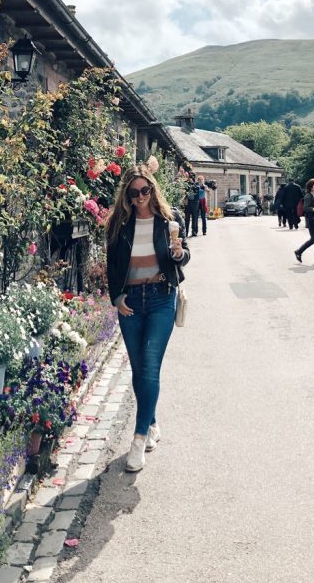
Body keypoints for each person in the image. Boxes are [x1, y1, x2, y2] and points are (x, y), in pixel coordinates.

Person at [106, 164, 190, 472]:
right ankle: (151, 421)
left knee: (151, 365)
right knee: (139, 368)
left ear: (153, 190)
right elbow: (112, 264)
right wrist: (116, 297)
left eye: (145, 190)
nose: (140, 196)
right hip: (131, 301)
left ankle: (139, 438)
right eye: (134, 192)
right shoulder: (119, 223)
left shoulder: (169, 221)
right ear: (126, 196)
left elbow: (184, 256)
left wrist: (180, 253)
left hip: (160, 298)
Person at [294, 178, 314, 264]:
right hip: (311, 219)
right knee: (313, 239)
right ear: (311, 187)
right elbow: (305, 208)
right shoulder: (308, 195)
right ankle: (298, 251)